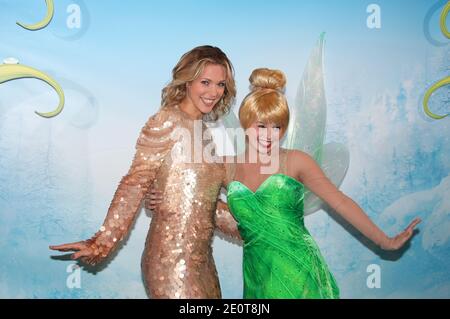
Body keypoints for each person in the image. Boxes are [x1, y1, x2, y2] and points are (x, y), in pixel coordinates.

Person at [149, 68, 421, 299]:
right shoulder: (225, 166)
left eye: (276, 127)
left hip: (299, 271)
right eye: (261, 126)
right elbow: (187, 193)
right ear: (245, 124)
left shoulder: (296, 161)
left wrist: (385, 242)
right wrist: (157, 199)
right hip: (257, 276)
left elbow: (340, 202)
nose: (269, 136)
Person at [50, 45, 241, 299]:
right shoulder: (166, 120)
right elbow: (136, 182)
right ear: (186, 82)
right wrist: (102, 241)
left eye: (220, 85)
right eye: (205, 82)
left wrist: (261, 229)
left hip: (203, 262)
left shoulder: (204, 133)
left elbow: (205, 206)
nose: (213, 92)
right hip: (170, 263)